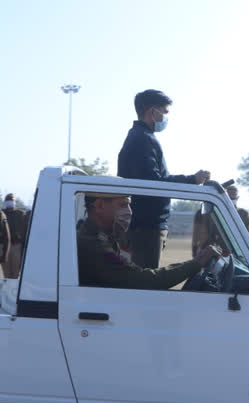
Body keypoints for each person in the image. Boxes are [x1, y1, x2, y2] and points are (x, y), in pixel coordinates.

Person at [117, 89, 210, 268]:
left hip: (145, 226)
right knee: (146, 285)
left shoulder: (141, 137)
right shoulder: (143, 140)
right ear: (153, 112)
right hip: (146, 228)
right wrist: (191, 180)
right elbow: (154, 185)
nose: (166, 118)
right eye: (165, 112)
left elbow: (156, 179)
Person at [78, 192, 218, 289]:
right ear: (99, 206)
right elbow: (142, 280)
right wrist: (196, 264)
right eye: (122, 205)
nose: (129, 212)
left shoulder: (104, 237)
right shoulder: (93, 244)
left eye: (129, 205)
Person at [2, 193, 26, 279]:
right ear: (5, 202)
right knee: (5, 271)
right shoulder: (1, 213)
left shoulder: (20, 213)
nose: (10, 202)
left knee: (16, 271)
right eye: (8, 200)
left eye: (11, 200)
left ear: (15, 201)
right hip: (4, 246)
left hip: (16, 246)